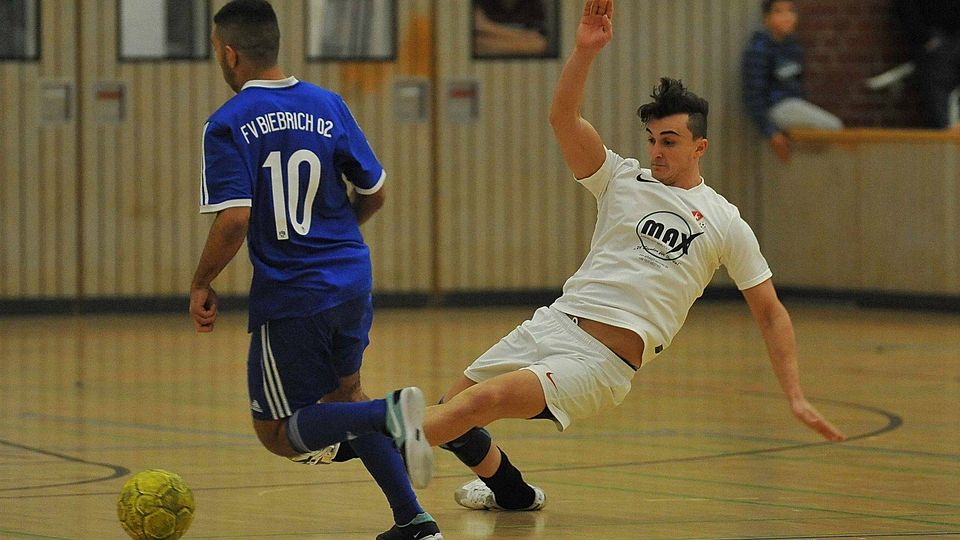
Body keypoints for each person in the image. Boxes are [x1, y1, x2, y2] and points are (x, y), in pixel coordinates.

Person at [422, 0, 847, 513]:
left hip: (600, 363)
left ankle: (351, 442)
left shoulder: (725, 221)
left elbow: (771, 312)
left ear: (700, 147)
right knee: (450, 415)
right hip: (553, 324)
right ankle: (513, 493)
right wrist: (584, 50)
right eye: (652, 140)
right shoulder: (620, 178)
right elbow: (562, 118)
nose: (657, 151)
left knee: (477, 405)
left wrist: (796, 395)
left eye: (670, 141)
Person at [188, 2, 439, 539]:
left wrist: (201, 281)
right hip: (351, 277)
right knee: (345, 397)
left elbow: (235, 220)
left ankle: (392, 414)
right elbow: (375, 190)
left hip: (293, 294)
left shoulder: (227, 124)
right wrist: (338, 232)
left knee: (277, 430)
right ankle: (415, 523)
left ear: (230, 54)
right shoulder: (327, 105)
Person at [741, 0, 843, 162]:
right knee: (832, 127)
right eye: (779, 12)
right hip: (775, 107)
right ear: (766, 18)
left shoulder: (793, 47)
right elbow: (753, 95)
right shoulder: (759, 49)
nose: (787, 17)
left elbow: (798, 86)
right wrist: (770, 132)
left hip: (793, 104)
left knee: (832, 131)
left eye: (790, 11)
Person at [893, 0, 960, 130]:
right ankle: (943, 144)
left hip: (942, 36)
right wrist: (923, 37)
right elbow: (905, 6)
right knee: (938, 102)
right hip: (936, 37)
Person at [473, 0, 550, 57]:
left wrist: (488, 27)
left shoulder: (534, 4)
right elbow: (477, 44)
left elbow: (540, 45)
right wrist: (527, 39)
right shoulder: (482, 4)